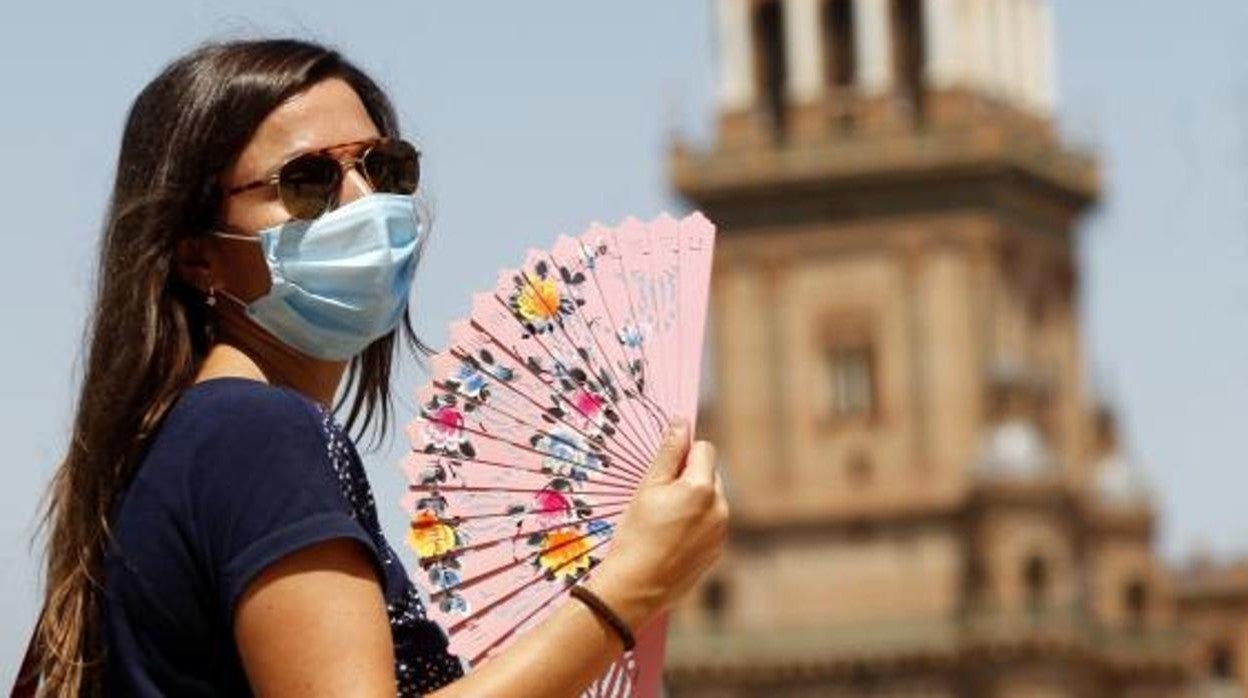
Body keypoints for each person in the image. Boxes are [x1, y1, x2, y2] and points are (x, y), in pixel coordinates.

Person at [24, 38, 728, 697]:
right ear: (195, 253)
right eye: (309, 182)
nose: (365, 201)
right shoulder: (254, 431)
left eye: (385, 169)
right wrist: (629, 588)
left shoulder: (190, 439)